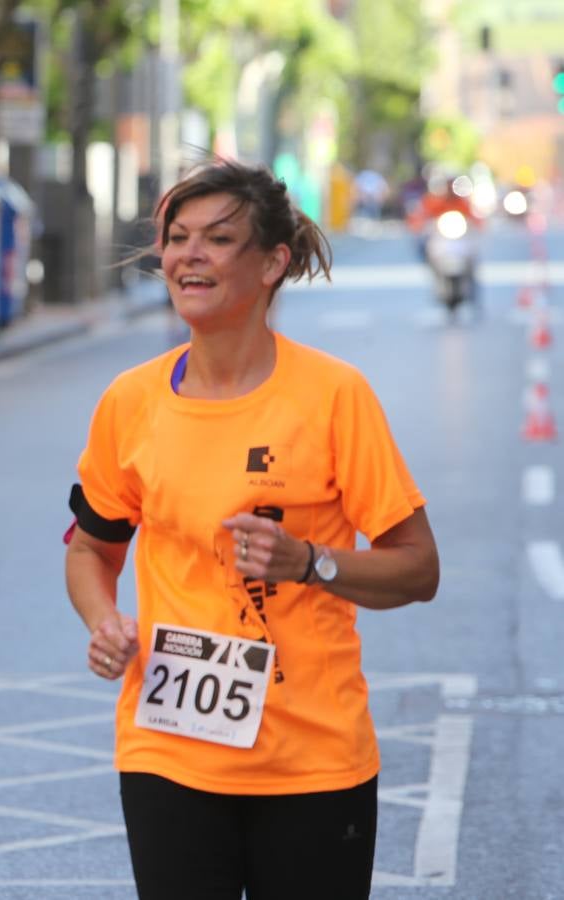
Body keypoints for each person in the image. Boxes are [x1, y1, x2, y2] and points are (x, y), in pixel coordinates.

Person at [64, 160, 439, 900]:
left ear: (272, 263)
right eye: (177, 238)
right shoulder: (130, 402)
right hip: (167, 750)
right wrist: (104, 622)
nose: (188, 256)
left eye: (217, 239)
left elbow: (418, 568)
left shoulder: (333, 396)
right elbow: (91, 550)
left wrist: (310, 562)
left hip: (312, 756)